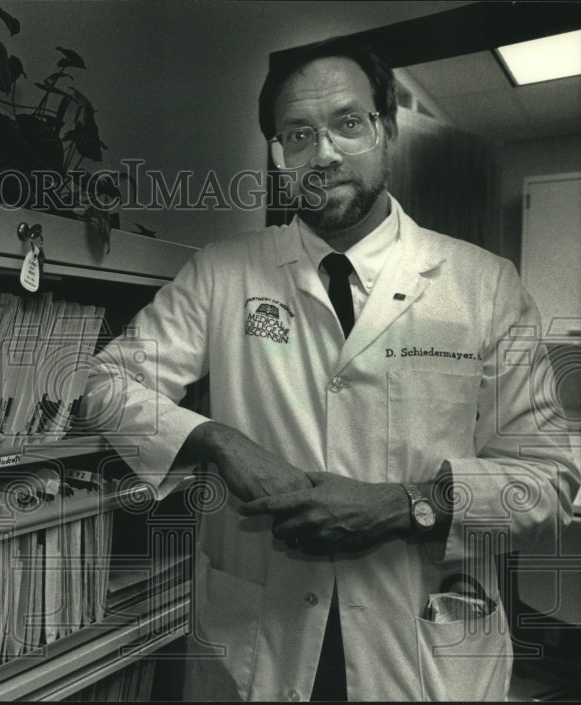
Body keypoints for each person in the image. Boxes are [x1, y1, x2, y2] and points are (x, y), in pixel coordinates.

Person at [82, 36, 579, 702]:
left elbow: (547, 484)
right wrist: (219, 442)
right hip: (259, 634)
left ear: (388, 128)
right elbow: (109, 384)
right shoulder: (222, 272)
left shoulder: (484, 286)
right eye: (298, 135)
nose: (325, 153)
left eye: (348, 123)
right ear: (278, 154)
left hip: (425, 649)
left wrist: (406, 505)